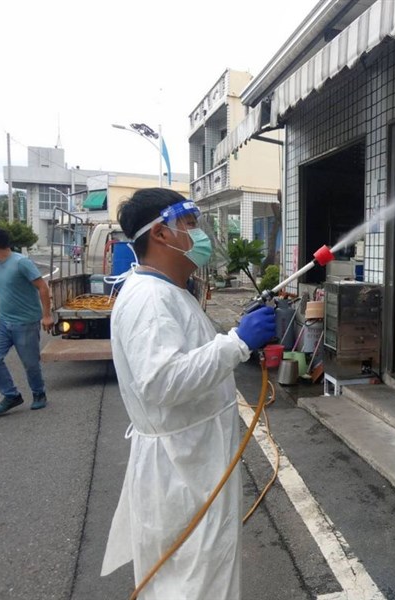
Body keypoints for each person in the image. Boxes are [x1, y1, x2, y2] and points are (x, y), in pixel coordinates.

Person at [100, 188, 276, 600]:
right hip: (182, 472)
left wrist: (238, 340)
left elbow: (188, 362)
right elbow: (161, 383)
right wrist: (236, 344)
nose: (199, 235)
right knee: (192, 585)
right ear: (161, 234)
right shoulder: (151, 300)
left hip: (193, 462)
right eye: (191, 224)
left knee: (200, 576)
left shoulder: (169, 291)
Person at [0, 227, 53, 415]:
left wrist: (47, 315)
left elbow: (42, 287)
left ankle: (39, 393)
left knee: (30, 363)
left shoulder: (21, 263)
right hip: (2, 321)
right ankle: (11, 395)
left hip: (25, 322)